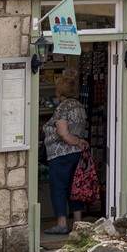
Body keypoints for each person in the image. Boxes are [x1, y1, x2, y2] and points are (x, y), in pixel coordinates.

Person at [43, 69, 90, 234]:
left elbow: (63, 133)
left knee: (59, 188)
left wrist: (75, 141)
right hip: (75, 154)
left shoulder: (63, 107)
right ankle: (78, 223)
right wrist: (79, 143)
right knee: (74, 187)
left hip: (60, 154)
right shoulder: (79, 106)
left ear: (59, 91)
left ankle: (62, 224)